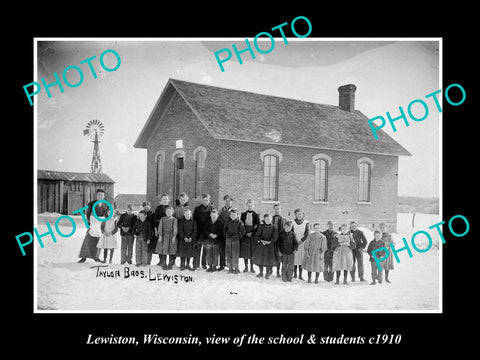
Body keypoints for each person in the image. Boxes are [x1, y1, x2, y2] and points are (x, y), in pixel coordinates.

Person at [78, 189, 110, 263]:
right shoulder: (92, 203)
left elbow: (107, 215)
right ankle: (84, 257)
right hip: (93, 223)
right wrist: (88, 223)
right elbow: (88, 214)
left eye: (102, 195)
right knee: (88, 239)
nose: (100, 196)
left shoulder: (106, 205)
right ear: (96, 195)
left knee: (99, 241)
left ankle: (96, 257)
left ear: (104, 196)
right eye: (99, 195)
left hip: (101, 224)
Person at [253, 213, 279, 279]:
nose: (267, 220)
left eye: (269, 219)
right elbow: (257, 235)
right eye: (266, 219)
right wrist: (261, 240)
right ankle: (261, 272)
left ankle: (267, 273)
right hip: (262, 245)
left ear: (271, 220)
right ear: (264, 219)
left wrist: (270, 241)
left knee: (269, 260)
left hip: (270, 246)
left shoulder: (274, 227)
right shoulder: (261, 226)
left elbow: (275, 237)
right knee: (260, 259)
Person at [193, 193, 213, 270]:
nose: (205, 201)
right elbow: (194, 221)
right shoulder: (197, 209)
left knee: (205, 250)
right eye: (204, 200)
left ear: (209, 200)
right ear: (202, 200)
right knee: (197, 249)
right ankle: (195, 264)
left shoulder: (211, 209)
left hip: (207, 232)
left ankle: (204, 264)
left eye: (207, 200)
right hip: (198, 231)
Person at [240, 199, 260, 273]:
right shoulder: (243, 214)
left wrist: (252, 232)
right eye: (248, 205)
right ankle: (246, 267)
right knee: (245, 251)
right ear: (247, 205)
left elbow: (258, 226)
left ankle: (252, 268)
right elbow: (241, 225)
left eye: (251, 205)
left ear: (253, 205)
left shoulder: (256, 215)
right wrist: (245, 233)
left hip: (252, 235)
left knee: (252, 251)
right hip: (245, 234)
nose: (250, 207)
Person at [155, 206, 178, 270]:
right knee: (164, 250)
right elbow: (160, 227)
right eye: (167, 211)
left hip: (171, 236)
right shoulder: (162, 219)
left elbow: (175, 228)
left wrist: (174, 236)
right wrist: (160, 235)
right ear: (165, 212)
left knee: (171, 250)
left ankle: (170, 263)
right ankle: (164, 263)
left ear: (172, 212)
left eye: (170, 211)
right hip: (164, 236)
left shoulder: (174, 219)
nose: (169, 213)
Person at [223, 209, 246, 274]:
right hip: (228, 239)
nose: (233, 216)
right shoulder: (227, 222)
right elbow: (224, 230)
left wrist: (238, 237)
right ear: (230, 215)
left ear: (237, 215)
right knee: (228, 253)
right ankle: (230, 268)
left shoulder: (240, 222)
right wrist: (227, 236)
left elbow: (243, 231)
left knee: (235, 254)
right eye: (232, 215)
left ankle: (236, 268)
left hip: (236, 239)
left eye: (234, 215)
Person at [292, 208, 311, 280]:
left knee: (300, 259)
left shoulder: (306, 223)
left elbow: (307, 233)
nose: (299, 215)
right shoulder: (292, 222)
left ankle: (300, 275)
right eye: (297, 214)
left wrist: (302, 240)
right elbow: (291, 232)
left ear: (303, 215)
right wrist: (295, 241)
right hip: (294, 241)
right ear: (295, 215)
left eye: (300, 214)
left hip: (302, 243)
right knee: (295, 259)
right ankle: (295, 274)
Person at [151, 194, 170, 265]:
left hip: (167, 230)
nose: (165, 200)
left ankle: (164, 261)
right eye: (163, 199)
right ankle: (161, 260)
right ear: (161, 200)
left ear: (168, 200)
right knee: (160, 245)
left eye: (166, 199)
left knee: (166, 245)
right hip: (159, 229)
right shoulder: (158, 208)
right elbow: (155, 219)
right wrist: (155, 229)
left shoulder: (170, 208)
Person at [218, 195, 234, 271]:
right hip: (222, 233)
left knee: (230, 250)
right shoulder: (221, 210)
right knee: (222, 249)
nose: (228, 202)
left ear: (231, 201)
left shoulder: (234, 210)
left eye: (229, 200)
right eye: (226, 200)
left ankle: (230, 265)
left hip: (230, 233)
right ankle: (222, 265)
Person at [271, 203, 287, 278]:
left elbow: (284, 230)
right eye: (276, 209)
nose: (277, 210)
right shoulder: (271, 218)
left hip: (280, 240)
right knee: (271, 255)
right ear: (274, 210)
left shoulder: (284, 219)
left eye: (278, 209)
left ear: (281, 210)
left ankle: (278, 271)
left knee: (279, 256)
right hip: (272, 240)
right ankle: (269, 270)